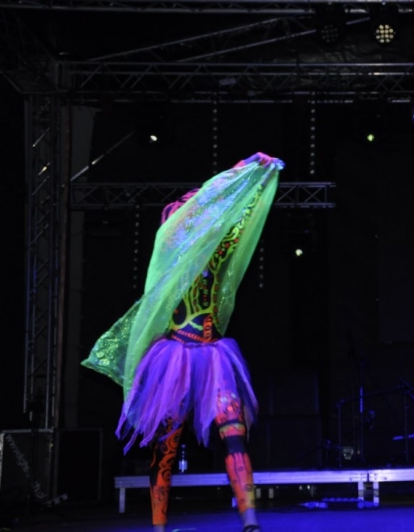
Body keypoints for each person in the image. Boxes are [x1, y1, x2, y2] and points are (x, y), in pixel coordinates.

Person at [82, 152, 283, 532]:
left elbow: (239, 209)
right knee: (166, 448)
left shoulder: (220, 252)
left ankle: (251, 521)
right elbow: (194, 210)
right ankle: (159, 525)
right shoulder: (171, 252)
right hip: (173, 359)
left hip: (214, 356)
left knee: (235, 435)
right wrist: (239, 171)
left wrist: (253, 173)